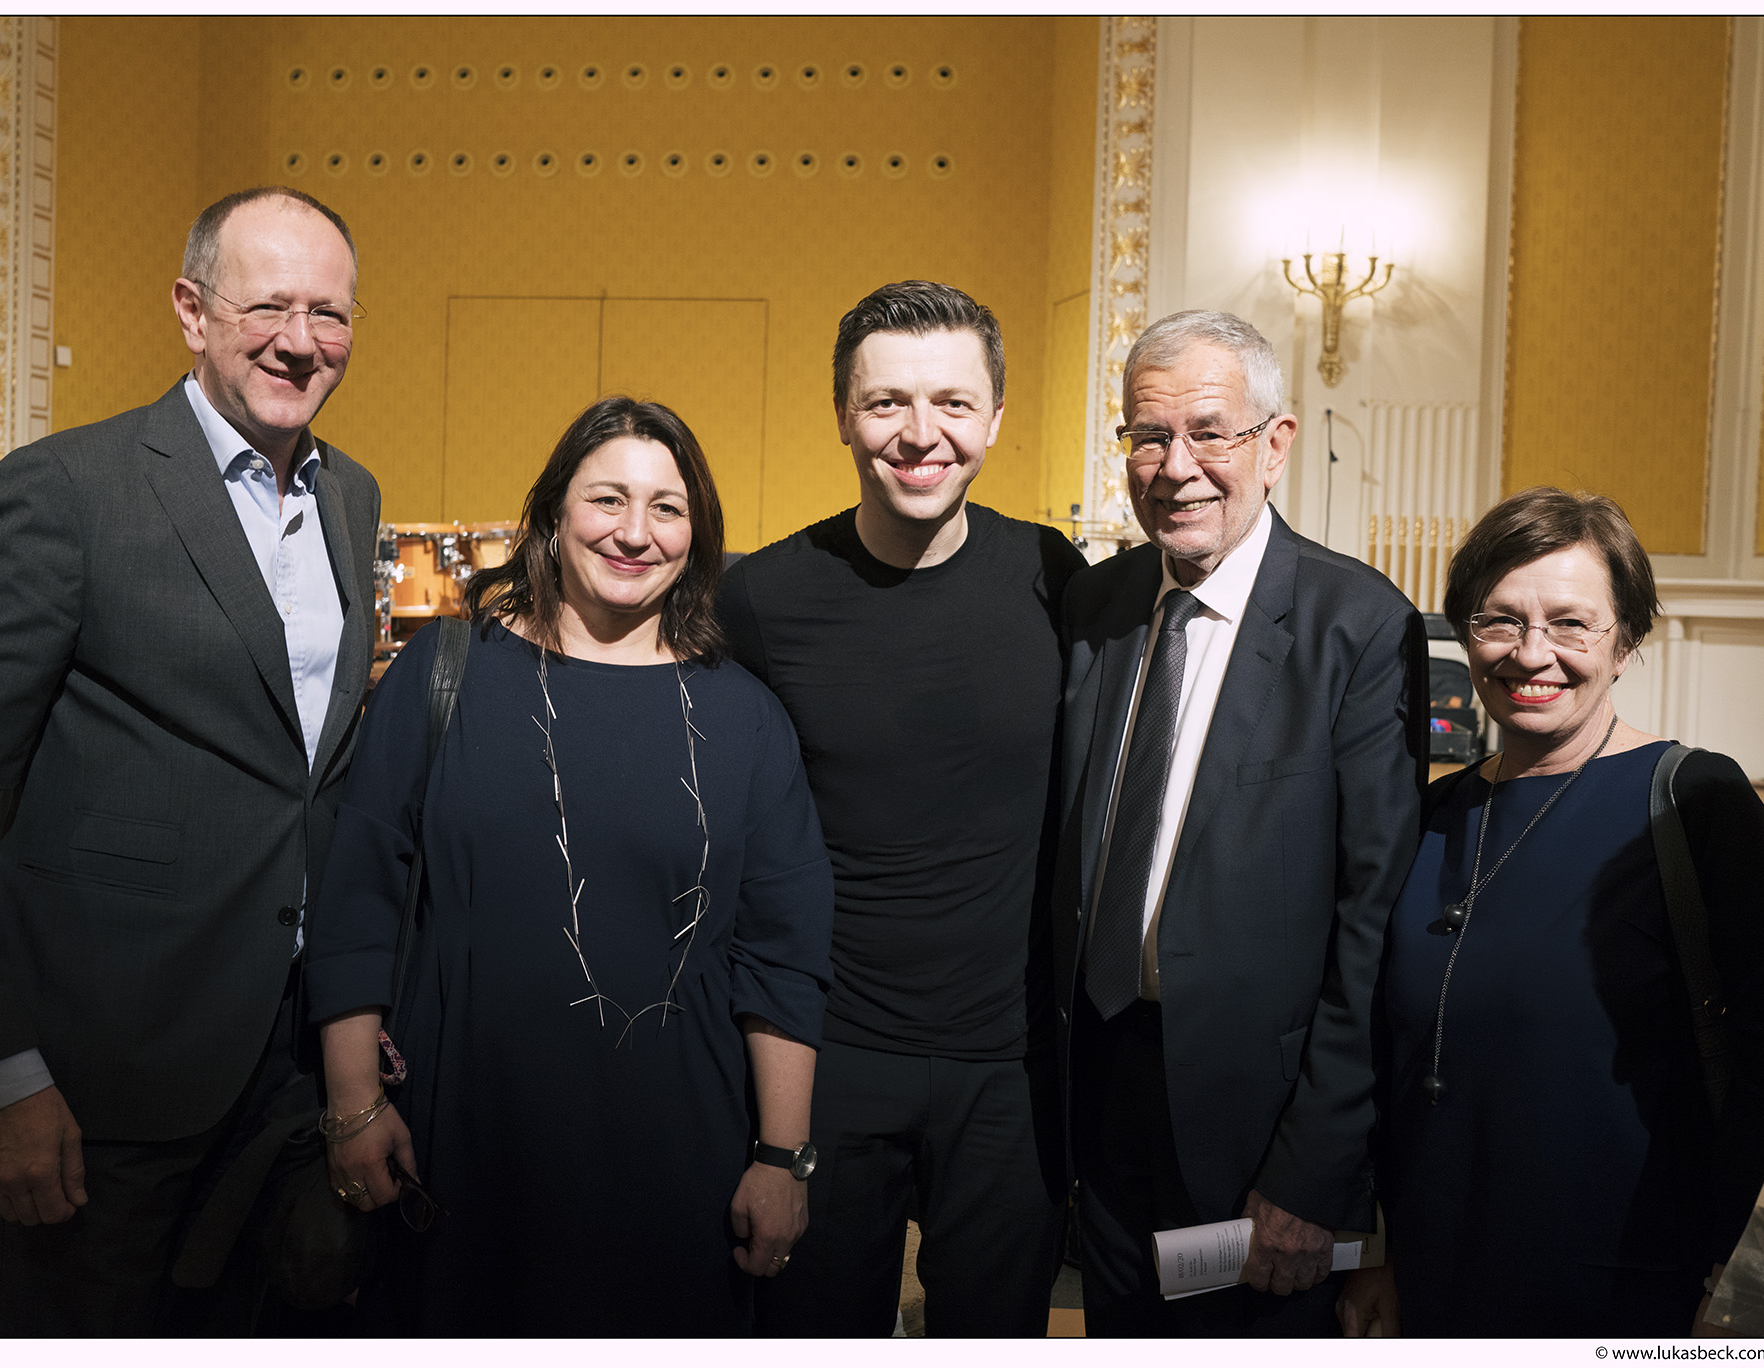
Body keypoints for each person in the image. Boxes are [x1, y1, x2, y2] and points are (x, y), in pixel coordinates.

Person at [0, 186, 382, 1334]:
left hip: (291, 1063)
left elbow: (307, 776)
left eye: (329, 313)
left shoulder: (351, 497)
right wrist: (4, 1080)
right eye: (266, 306)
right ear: (191, 311)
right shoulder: (66, 491)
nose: (300, 340)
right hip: (105, 1073)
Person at [305, 395, 834, 1336]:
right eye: (607, 499)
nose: (635, 532)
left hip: (682, 1158)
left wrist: (781, 1158)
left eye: (667, 508)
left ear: (698, 533)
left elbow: (783, 954)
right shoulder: (444, 673)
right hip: (463, 1141)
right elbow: (357, 899)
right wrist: (352, 1105)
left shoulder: (747, 718)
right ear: (553, 512)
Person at [1336, 486, 1764, 1338]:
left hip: (1638, 1294)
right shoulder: (1431, 814)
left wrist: (1751, 1285)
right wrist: (1374, 1250)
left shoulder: (1694, 802)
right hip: (1434, 1280)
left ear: (1626, 642)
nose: (1532, 654)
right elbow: (1381, 1055)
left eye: (1571, 624)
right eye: (1501, 620)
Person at [717, 280, 1087, 1337]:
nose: (920, 434)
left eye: (952, 403)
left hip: (1010, 1069)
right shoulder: (762, 598)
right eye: (886, 403)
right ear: (843, 414)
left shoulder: (1054, 577)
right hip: (828, 1060)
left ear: (995, 418)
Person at [1054, 309, 1429, 1335]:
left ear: (1275, 444)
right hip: (1101, 1094)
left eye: (1208, 432)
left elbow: (1373, 921)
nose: (1175, 467)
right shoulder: (1094, 609)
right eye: (1147, 436)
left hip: (1260, 1125)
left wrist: (1316, 1169)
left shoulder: (1358, 626)